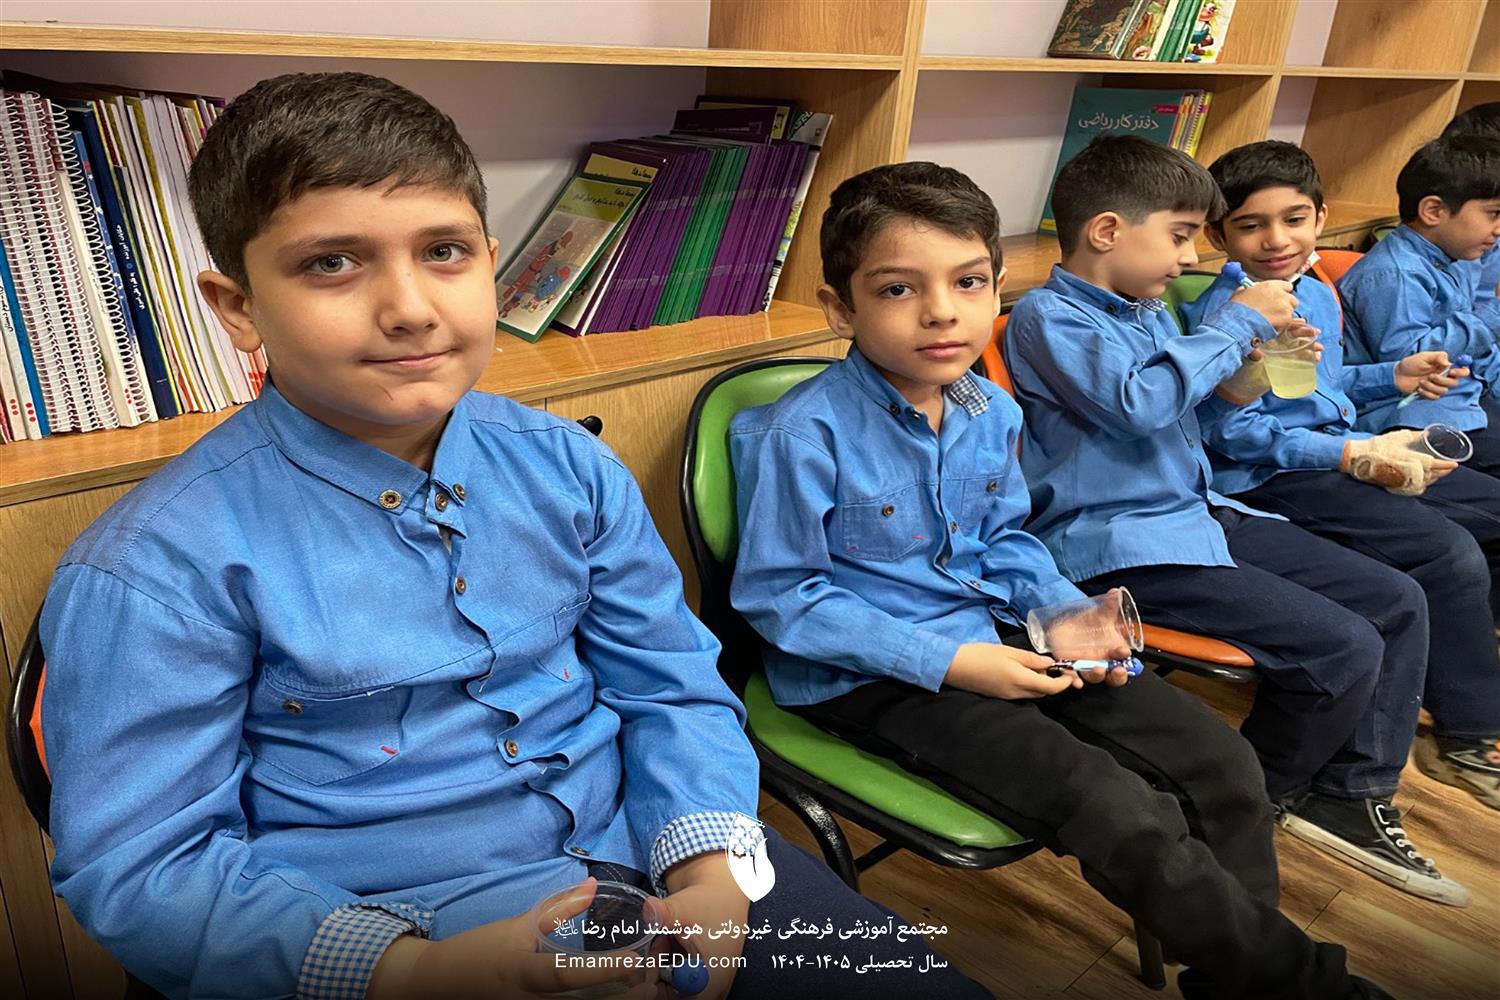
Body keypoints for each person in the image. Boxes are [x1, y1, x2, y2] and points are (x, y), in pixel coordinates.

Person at [38, 72, 990, 1000]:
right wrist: (415, 971)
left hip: (653, 855)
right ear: (238, 307)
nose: (412, 308)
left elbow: (672, 683)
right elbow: (146, 865)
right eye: (331, 263)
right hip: (397, 930)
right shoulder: (155, 565)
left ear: (492, 261)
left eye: (444, 252)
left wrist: (710, 879)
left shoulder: (570, 467)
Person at [729, 159, 1398, 999]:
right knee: (1113, 803)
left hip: (1001, 632)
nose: (942, 311)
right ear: (841, 308)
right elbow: (783, 599)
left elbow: (1005, 539)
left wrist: (1064, 610)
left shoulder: (988, 410)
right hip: (871, 673)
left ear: (994, 287)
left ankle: (1238, 981)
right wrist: (956, 662)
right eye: (898, 289)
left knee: (1222, 760)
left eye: (969, 282)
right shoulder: (798, 434)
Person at [1003, 135, 1465, 906]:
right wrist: (1235, 324)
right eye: (1180, 235)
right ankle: (1242, 803)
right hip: (1120, 542)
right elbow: (1136, 405)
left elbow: (1206, 417)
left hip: (1199, 511)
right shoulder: (1047, 318)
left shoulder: (1146, 311)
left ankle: (1349, 793)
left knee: (1397, 598)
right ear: (1108, 231)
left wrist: (1254, 363)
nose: (1190, 257)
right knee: (1343, 644)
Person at [1183, 139, 1500, 811]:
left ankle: (1462, 691)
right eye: (1251, 225)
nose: (1277, 239)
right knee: (1444, 551)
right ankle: (1465, 735)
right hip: (1268, 476)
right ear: (1218, 235)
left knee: (1477, 516)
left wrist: (1392, 376)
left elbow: (1319, 386)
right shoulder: (1228, 314)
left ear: (1321, 219)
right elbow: (1230, 433)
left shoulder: (1312, 291)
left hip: (1336, 445)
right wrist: (1350, 455)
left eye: (1294, 219)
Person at [1338, 134, 1500, 475]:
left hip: (1462, 397)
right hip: (1410, 413)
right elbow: (1412, 361)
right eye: (1494, 214)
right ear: (1433, 211)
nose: (1498, 230)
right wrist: (1494, 314)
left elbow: (1475, 353)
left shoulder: (1453, 257)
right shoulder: (1395, 273)